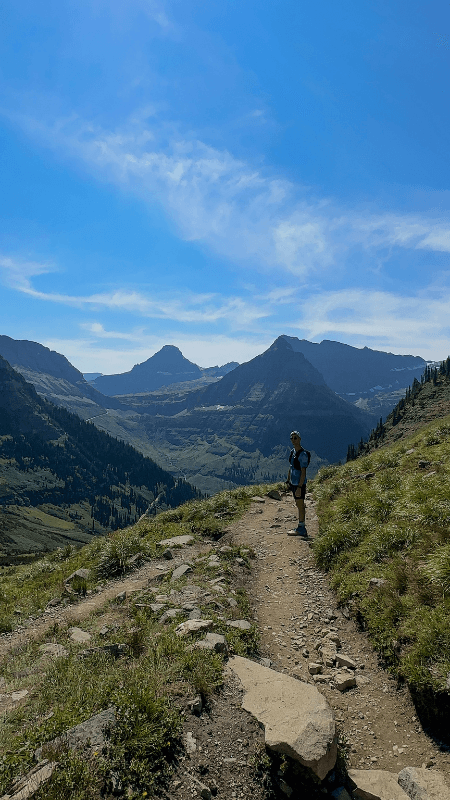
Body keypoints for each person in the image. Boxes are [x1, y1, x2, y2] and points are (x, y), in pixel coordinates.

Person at [287, 430, 309, 536]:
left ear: (300, 439)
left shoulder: (303, 454)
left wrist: (300, 486)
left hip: (299, 484)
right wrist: (288, 480)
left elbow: (303, 472)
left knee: (300, 505)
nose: (293, 440)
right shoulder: (293, 452)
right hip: (293, 483)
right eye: (292, 438)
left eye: (295, 438)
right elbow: (291, 467)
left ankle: (301, 528)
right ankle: (300, 526)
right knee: (298, 503)